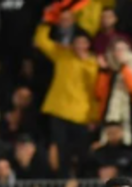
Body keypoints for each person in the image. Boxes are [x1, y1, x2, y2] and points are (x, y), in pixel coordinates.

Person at [33, 13, 98, 176]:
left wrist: (94, 116)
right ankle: (61, 182)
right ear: (72, 44)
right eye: (77, 42)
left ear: (88, 45)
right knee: (60, 151)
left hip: (81, 114)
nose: (80, 46)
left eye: (83, 42)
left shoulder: (94, 63)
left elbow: (95, 90)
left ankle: (81, 184)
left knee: (81, 152)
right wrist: (47, 21)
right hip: (59, 110)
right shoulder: (62, 54)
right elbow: (41, 41)